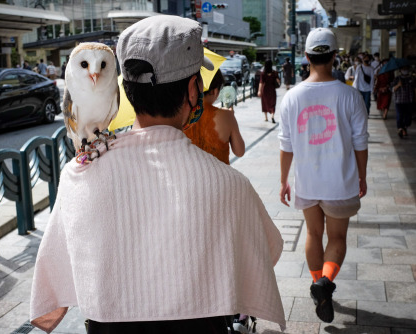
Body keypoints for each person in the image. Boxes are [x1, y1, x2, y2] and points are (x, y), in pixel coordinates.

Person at [30, 15, 286, 334]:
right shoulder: (229, 183)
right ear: (193, 90)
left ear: (125, 88)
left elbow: (53, 279)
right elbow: (266, 252)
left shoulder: (79, 175)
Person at [278, 28, 368, 324]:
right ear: (334, 57)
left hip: (306, 180)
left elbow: (286, 145)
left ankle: (319, 286)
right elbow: (360, 143)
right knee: (337, 237)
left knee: (313, 234)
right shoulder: (350, 95)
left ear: (306, 57)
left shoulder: (291, 97)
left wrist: (283, 180)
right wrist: (362, 177)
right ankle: (323, 284)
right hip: (340, 181)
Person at [184, 70, 245, 164]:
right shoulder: (226, 116)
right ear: (214, 91)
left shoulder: (182, 116)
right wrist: (231, 118)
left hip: (190, 176)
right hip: (220, 177)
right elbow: (240, 151)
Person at [392, 65, 415, 138]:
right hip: (399, 101)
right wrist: (398, 85)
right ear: (400, 70)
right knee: (400, 116)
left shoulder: (412, 79)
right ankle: (400, 129)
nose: (405, 70)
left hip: (409, 101)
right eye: (403, 69)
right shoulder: (397, 79)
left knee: (408, 117)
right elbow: (392, 89)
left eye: (406, 69)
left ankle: (404, 127)